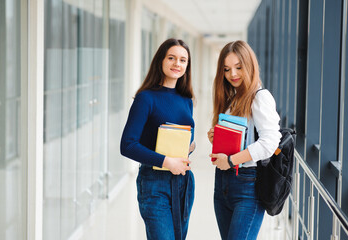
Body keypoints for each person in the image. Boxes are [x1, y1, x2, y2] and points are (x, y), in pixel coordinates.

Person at [120, 38, 196, 240]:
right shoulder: (146, 98)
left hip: (183, 181)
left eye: (182, 60)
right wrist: (167, 161)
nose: (177, 64)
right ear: (160, 61)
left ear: (187, 66)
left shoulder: (186, 100)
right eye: (171, 58)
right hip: (155, 183)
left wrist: (190, 146)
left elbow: (184, 138)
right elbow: (127, 145)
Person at [207, 40, 281, 240]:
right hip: (222, 182)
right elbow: (241, 139)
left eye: (238, 67)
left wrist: (231, 161)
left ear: (250, 65)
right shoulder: (233, 98)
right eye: (227, 69)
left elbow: (270, 141)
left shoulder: (259, 97)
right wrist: (216, 137)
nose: (233, 74)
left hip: (247, 185)